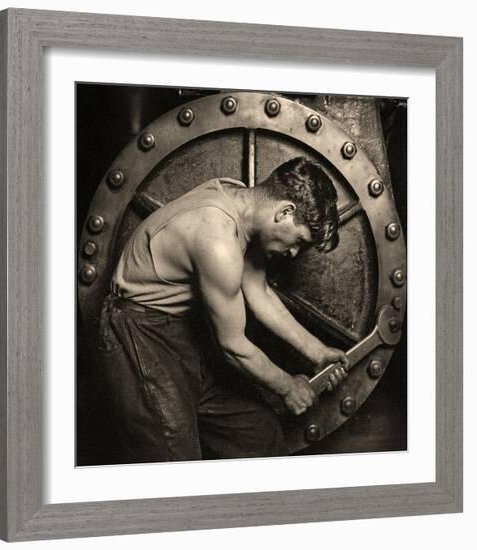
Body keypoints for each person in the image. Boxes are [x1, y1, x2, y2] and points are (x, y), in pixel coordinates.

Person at [98, 156, 349, 463]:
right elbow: (234, 346)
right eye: (299, 240)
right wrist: (287, 387)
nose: (294, 252)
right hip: (138, 334)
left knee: (258, 435)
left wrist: (317, 351)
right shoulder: (217, 240)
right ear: (285, 211)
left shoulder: (240, 201)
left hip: (181, 331)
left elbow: (259, 291)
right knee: (175, 462)